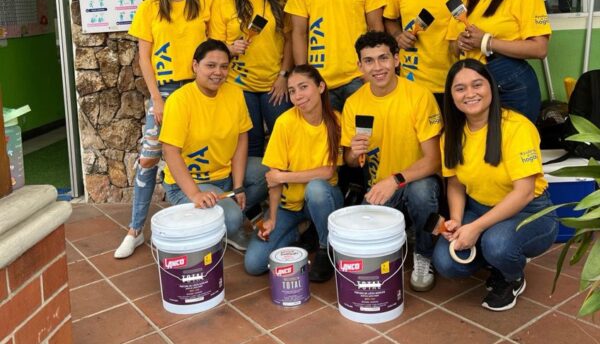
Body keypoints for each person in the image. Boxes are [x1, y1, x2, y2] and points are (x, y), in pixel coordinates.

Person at [432, 59, 558, 311]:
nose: (470, 94)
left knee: (497, 245)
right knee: (445, 262)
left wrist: (476, 228)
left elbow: (523, 194)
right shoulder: (452, 134)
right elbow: (455, 183)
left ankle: (511, 275)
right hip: (480, 206)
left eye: (477, 84)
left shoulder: (517, 127)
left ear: (490, 86)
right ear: (452, 96)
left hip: (530, 211)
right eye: (460, 88)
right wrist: (457, 220)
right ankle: (495, 255)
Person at [115, 0, 211, 259]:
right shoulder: (150, 8)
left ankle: (205, 219)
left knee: (197, 152)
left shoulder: (205, 4)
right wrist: (156, 98)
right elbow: (144, 58)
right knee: (148, 159)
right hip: (166, 93)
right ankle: (134, 230)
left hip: (198, 90)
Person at [342, 31, 442, 292]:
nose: (377, 67)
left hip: (416, 179)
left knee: (421, 193)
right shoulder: (354, 103)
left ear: (397, 59)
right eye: (369, 61)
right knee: (367, 246)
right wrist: (353, 152)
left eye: (383, 58)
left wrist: (395, 180)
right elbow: (351, 162)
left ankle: (424, 254)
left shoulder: (419, 96)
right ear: (359, 66)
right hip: (380, 187)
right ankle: (403, 232)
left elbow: (433, 161)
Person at [159, 39, 267, 250]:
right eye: (210, 65)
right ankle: (227, 223)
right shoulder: (180, 100)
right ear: (195, 66)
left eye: (224, 66)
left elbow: (240, 139)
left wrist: (237, 186)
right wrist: (195, 194)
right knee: (233, 219)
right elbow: (170, 152)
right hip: (190, 183)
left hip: (224, 177)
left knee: (270, 172)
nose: (218, 72)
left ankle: (224, 212)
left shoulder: (235, 93)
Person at [244, 64, 343, 282]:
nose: (298, 95)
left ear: (320, 87)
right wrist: (272, 218)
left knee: (316, 188)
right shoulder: (285, 122)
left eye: (303, 87)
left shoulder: (335, 120)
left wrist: (284, 177)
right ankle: (304, 231)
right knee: (254, 264)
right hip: (290, 206)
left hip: (323, 200)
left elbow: (327, 171)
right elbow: (273, 178)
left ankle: (327, 248)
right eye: (292, 91)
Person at [450, 0, 551, 123]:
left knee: (513, 146)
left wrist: (486, 41)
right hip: (474, 87)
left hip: (512, 86)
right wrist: (461, 43)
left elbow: (540, 48)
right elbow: (453, 48)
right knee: (481, 148)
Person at [209, 0, 292, 158]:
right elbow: (214, 48)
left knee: (283, 142)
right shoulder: (223, 0)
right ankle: (254, 190)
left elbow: (289, 38)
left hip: (274, 84)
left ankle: (285, 189)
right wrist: (229, 48)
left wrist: (284, 75)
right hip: (238, 85)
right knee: (250, 145)